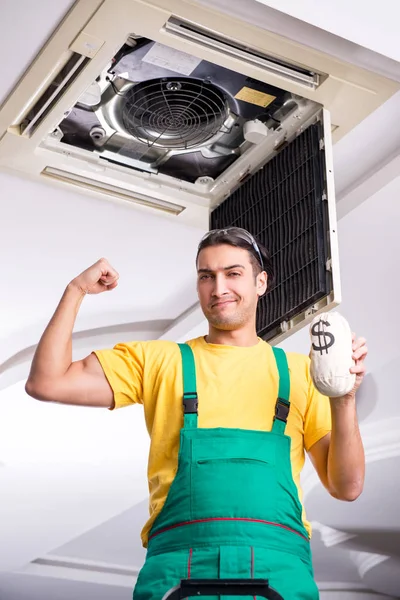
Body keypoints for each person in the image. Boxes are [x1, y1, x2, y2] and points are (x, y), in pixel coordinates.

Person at [25, 227, 367, 600]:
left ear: (261, 282)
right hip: (177, 566)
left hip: (280, 568)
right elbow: (47, 382)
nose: (218, 288)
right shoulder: (159, 361)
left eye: (233, 273)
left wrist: (343, 398)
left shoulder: (301, 373)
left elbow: (347, 487)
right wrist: (76, 290)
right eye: (207, 276)